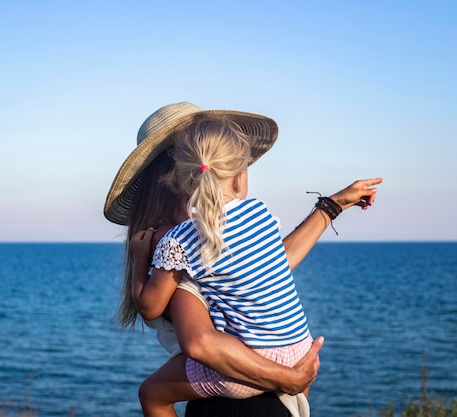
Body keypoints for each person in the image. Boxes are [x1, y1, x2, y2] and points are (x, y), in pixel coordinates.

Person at [103, 102, 382, 417]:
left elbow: (277, 260)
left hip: (249, 392)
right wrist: (290, 378)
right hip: (257, 389)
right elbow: (201, 343)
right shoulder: (189, 234)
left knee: (151, 394)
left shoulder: (181, 240)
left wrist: (331, 206)